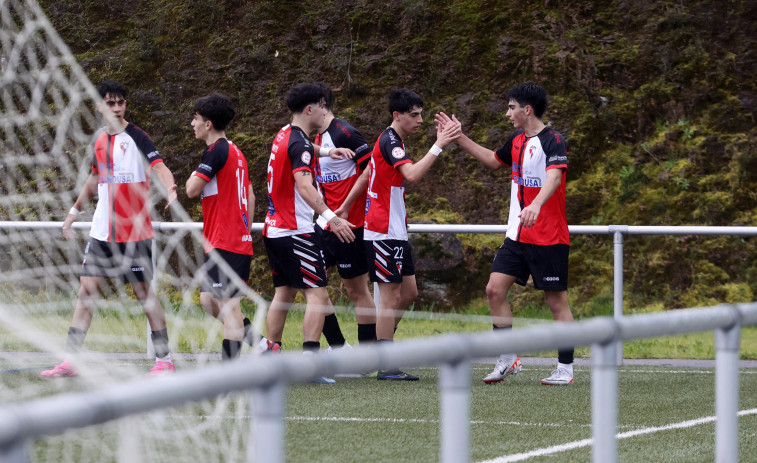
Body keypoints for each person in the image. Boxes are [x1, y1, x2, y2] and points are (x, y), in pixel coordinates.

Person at [435, 82, 575, 386]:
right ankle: (507, 357)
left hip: (549, 236)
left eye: (511, 107)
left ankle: (565, 369)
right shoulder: (516, 141)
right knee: (494, 290)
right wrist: (457, 138)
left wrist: (536, 204)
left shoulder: (554, 141)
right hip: (517, 236)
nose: (507, 112)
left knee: (556, 302)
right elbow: (491, 159)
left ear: (527, 110)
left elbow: (554, 176)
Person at [42, 80, 178, 377]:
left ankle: (165, 360)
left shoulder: (139, 137)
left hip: (135, 233)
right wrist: (73, 212)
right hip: (102, 233)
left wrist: (171, 188)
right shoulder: (100, 140)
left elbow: (158, 166)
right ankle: (71, 360)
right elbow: (93, 179)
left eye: (121, 103)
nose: (117, 108)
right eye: (111, 103)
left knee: (145, 295)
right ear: (99, 106)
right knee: (86, 293)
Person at [363, 88, 460, 381]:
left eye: (421, 113)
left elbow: (369, 175)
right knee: (390, 298)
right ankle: (385, 362)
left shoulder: (394, 142)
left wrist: (343, 208)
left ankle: (381, 350)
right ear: (397, 115)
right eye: (414, 114)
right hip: (382, 231)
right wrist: (439, 144)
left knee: (409, 293)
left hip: (394, 230)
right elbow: (413, 175)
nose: (420, 120)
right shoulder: (390, 140)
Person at [262, 82, 355, 383]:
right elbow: (304, 185)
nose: (326, 112)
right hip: (296, 231)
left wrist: (329, 150)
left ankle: (270, 355)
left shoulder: (284, 134)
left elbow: (303, 149)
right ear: (310, 109)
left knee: (283, 294)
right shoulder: (299, 142)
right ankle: (310, 363)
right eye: (323, 106)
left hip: (274, 230)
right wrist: (332, 217)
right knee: (317, 295)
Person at [185, 94, 256, 361]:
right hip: (222, 240)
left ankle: (231, 373)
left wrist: (239, 231)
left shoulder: (216, 151)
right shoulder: (235, 151)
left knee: (229, 308)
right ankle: (260, 345)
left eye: (196, 119)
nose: (192, 123)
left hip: (227, 242)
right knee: (208, 301)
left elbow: (191, 190)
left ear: (208, 124)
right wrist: (244, 228)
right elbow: (250, 194)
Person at [312, 82, 377, 352]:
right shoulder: (315, 136)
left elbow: (370, 170)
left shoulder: (345, 132)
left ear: (320, 106)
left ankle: (367, 356)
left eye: (305, 109)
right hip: (325, 223)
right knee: (312, 284)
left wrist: (347, 207)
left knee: (356, 290)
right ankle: (339, 348)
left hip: (351, 225)